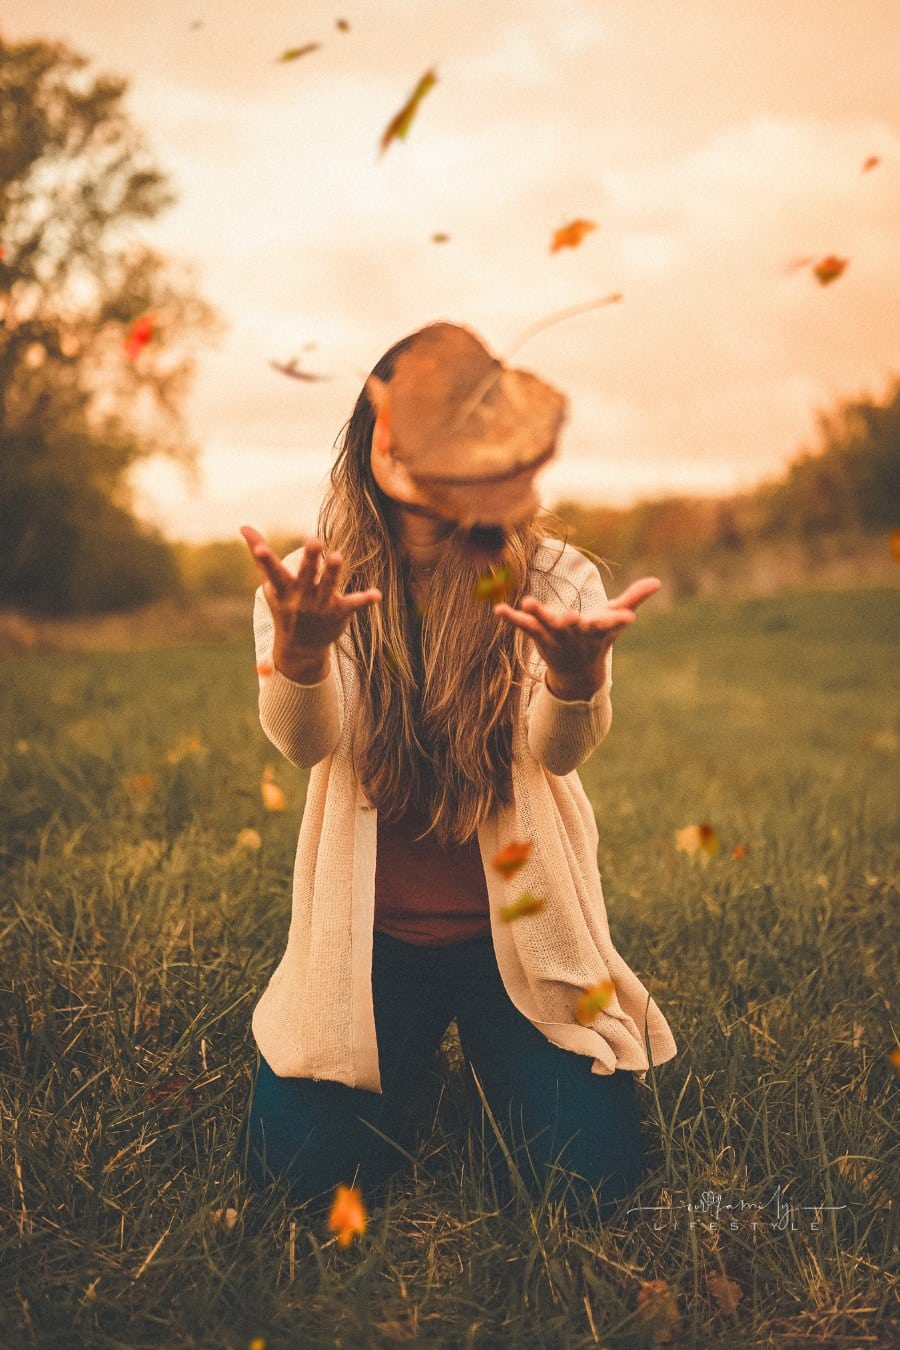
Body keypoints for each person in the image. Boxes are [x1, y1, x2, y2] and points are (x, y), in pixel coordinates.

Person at [238, 322, 677, 1222]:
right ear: (371, 436)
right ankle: (398, 1073)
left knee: (589, 1193)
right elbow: (306, 744)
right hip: (371, 946)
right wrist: (303, 655)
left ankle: (496, 1062)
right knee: (293, 1189)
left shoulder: (555, 576)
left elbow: (559, 753)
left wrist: (575, 679)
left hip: (516, 940)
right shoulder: (307, 585)